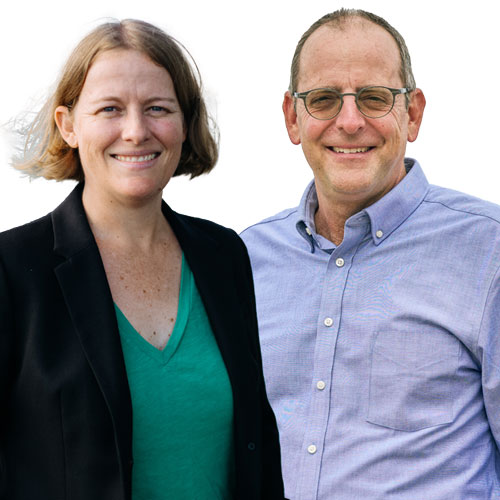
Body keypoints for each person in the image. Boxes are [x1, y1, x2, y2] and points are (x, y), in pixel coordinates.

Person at [0, 19, 285, 500]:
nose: (135, 131)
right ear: (68, 126)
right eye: (110, 109)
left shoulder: (224, 256)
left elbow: (257, 446)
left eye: (157, 108)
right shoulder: (11, 270)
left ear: (184, 123)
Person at [241, 8, 500, 500]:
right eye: (323, 100)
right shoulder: (243, 262)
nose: (350, 121)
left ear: (414, 113)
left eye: (375, 98)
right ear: (293, 118)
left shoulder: (490, 252)